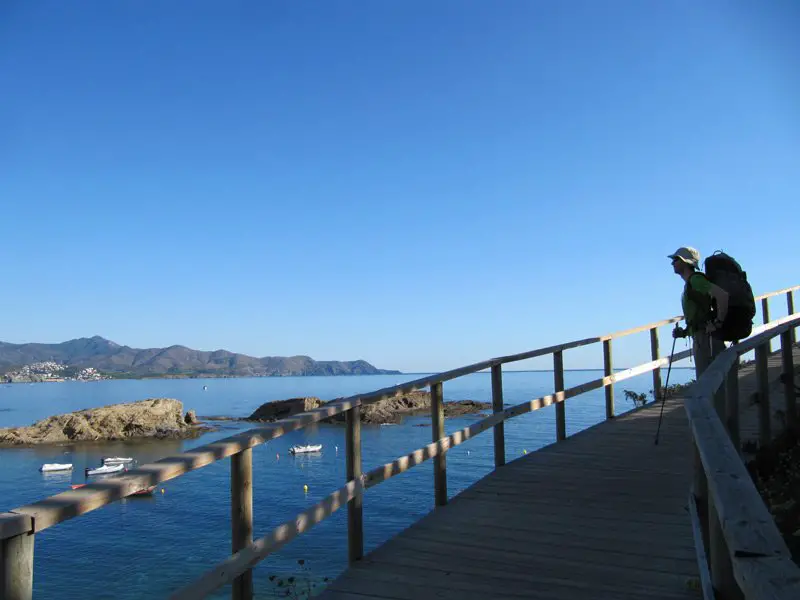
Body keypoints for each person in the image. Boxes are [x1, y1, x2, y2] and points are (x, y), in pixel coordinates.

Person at [668, 246, 729, 376]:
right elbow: (699, 313)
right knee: (708, 381)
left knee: (707, 382)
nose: (672, 263)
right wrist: (684, 333)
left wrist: (718, 322)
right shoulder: (691, 282)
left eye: (675, 259)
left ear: (685, 262)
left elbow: (722, 296)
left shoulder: (696, 280)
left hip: (706, 339)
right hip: (701, 337)